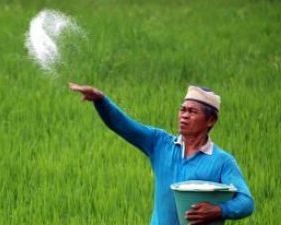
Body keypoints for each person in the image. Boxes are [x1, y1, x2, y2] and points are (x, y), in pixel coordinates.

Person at [69, 83, 254, 225]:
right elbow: (125, 126)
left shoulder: (222, 161)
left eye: (192, 111)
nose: (184, 115)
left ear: (210, 120)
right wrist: (101, 101)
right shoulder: (160, 143)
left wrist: (219, 210)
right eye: (182, 110)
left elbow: (246, 202)